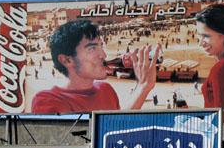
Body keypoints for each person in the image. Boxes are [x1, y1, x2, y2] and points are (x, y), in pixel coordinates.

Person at [31, 20, 159, 113]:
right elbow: (96, 136)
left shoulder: (106, 90)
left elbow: (118, 131)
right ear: (67, 60)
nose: (103, 54)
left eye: (101, 46)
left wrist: (144, 86)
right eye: (92, 48)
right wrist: (142, 87)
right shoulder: (47, 100)